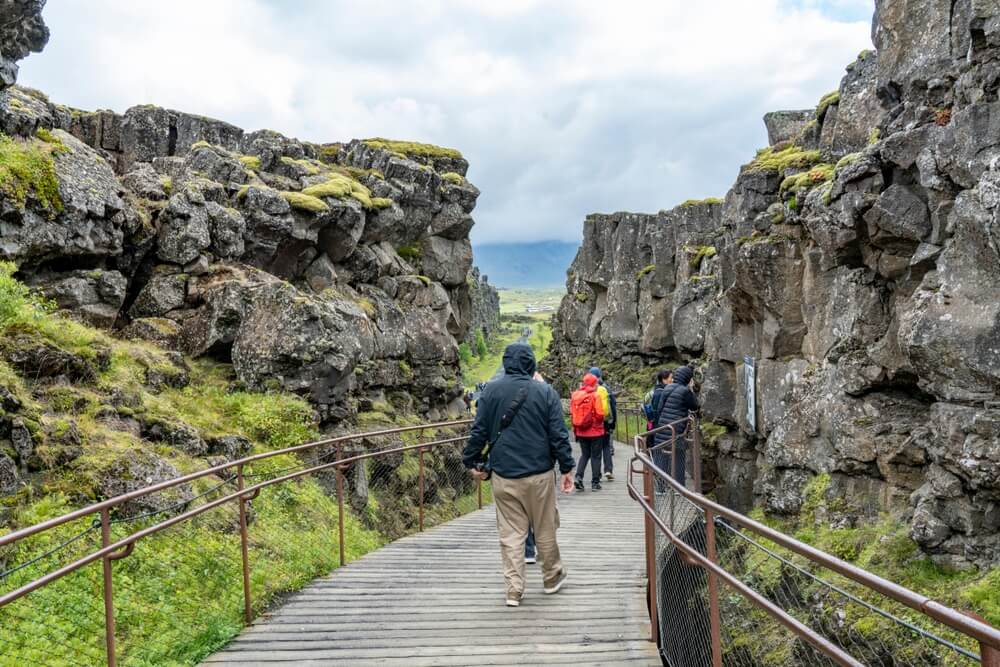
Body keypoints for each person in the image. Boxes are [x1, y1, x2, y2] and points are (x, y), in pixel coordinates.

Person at [463, 343, 575, 608]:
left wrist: (471, 460)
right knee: (545, 527)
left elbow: (478, 431)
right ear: (531, 363)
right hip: (539, 474)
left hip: (504, 474)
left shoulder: (490, 391)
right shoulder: (545, 392)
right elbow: (558, 434)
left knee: (511, 533)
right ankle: (551, 577)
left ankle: (514, 590)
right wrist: (567, 467)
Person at [652, 365, 700, 486]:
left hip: (663, 428)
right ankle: (679, 487)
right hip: (676, 430)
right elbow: (695, 406)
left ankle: (660, 486)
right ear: (688, 378)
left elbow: (659, 408)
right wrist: (691, 389)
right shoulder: (685, 391)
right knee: (678, 458)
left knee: (662, 457)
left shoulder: (667, 388)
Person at [570, 372, 606, 492]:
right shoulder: (595, 396)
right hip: (595, 431)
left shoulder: (575, 395)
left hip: (581, 431)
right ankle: (595, 483)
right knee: (596, 456)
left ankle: (578, 477)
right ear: (594, 383)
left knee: (585, 455)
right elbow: (600, 414)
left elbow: (572, 414)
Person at [588, 367, 617, 481]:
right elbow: (612, 407)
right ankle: (608, 470)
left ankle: (596, 474)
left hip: (592, 423)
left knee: (594, 449)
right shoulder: (606, 389)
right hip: (604, 422)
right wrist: (613, 423)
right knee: (606, 446)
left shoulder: (587, 389)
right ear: (599, 376)